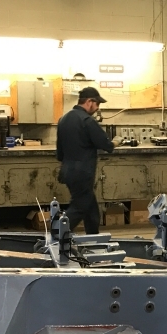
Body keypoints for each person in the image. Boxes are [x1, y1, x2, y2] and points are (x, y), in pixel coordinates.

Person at [56, 86, 118, 234]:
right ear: (89, 102)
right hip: (83, 173)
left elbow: (59, 153)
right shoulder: (87, 120)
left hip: (67, 171)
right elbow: (106, 145)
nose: (98, 108)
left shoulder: (63, 119)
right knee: (79, 207)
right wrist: (116, 142)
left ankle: (93, 237)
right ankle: (57, 233)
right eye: (97, 104)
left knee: (90, 208)